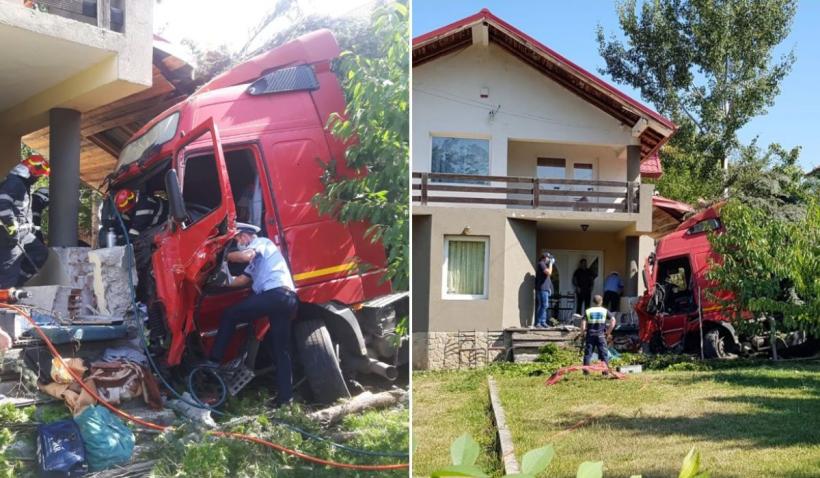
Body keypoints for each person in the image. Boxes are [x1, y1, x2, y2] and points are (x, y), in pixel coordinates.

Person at [206, 223, 298, 407]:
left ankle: (213, 362)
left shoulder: (262, 243)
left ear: (248, 235)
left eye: (239, 238)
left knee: (230, 315)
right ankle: (286, 399)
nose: (238, 242)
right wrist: (217, 282)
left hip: (276, 295)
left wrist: (220, 256)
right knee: (282, 351)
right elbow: (240, 281)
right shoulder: (256, 262)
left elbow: (245, 256)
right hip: (286, 300)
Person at [0, 155, 50, 288]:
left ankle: (14, 286)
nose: (38, 179)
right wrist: (11, 227)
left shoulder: (23, 185)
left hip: (22, 233)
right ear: (31, 171)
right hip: (7, 234)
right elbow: (2, 205)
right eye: (38, 176)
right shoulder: (14, 183)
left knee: (39, 253)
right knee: (9, 268)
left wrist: (29, 227)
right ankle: (4, 302)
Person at [581, 294, 616, 372]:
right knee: (604, 354)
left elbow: (583, 323)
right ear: (601, 301)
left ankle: (586, 372)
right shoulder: (604, 311)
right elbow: (613, 320)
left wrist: (582, 333)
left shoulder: (588, 311)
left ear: (593, 301)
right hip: (601, 336)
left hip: (590, 335)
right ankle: (605, 371)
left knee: (588, 354)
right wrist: (608, 332)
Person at [534, 250, 554, 328]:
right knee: (544, 305)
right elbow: (549, 273)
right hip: (542, 289)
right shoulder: (541, 264)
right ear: (545, 258)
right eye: (548, 258)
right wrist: (551, 264)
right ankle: (538, 322)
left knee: (544, 306)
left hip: (545, 289)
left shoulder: (544, 265)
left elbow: (547, 278)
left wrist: (549, 288)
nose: (549, 260)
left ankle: (543, 322)